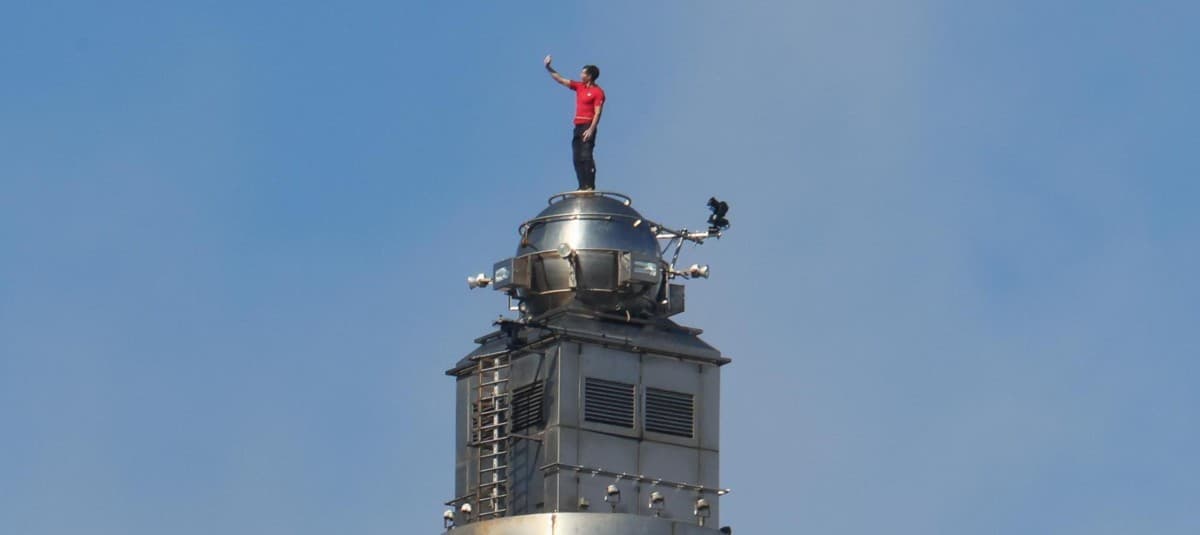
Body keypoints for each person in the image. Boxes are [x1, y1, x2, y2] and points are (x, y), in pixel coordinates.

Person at [544, 55, 605, 191]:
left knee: (586, 155)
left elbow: (598, 113)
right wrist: (548, 67)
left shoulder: (598, 92)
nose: (580, 75)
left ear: (589, 76)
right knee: (577, 157)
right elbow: (561, 80)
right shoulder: (579, 87)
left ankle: (590, 185)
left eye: (583, 73)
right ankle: (582, 185)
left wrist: (591, 129)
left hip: (588, 126)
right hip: (578, 126)